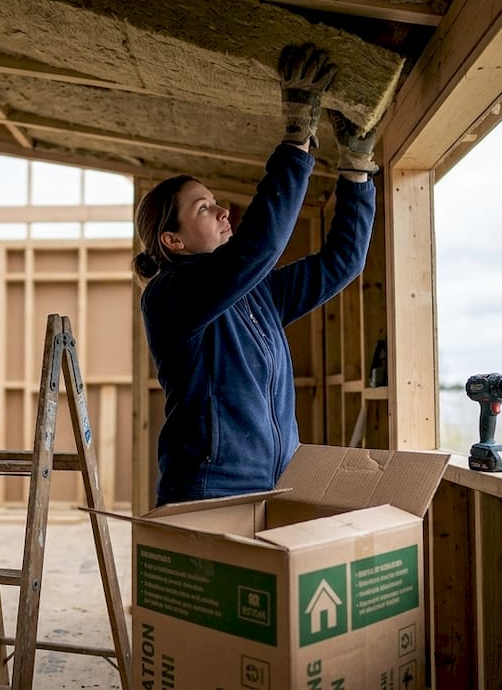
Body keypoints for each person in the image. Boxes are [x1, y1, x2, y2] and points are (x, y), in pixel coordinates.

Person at [132, 44, 380, 506]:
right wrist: (296, 139)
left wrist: (357, 174)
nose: (223, 211)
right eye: (203, 208)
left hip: (277, 483)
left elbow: (342, 263)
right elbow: (259, 248)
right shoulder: (170, 295)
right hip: (209, 492)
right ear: (173, 240)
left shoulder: (255, 294)